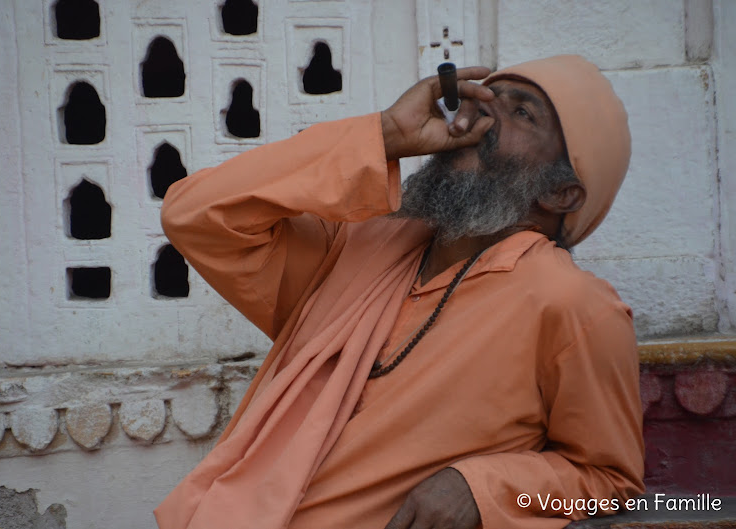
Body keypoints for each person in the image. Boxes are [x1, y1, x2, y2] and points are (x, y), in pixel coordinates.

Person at [154, 55, 645, 529]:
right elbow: (195, 216)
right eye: (485, 98)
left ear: (560, 194)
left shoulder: (574, 304)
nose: (483, 110)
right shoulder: (353, 245)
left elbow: (608, 479)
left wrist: (483, 487)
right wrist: (386, 134)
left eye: (520, 112)